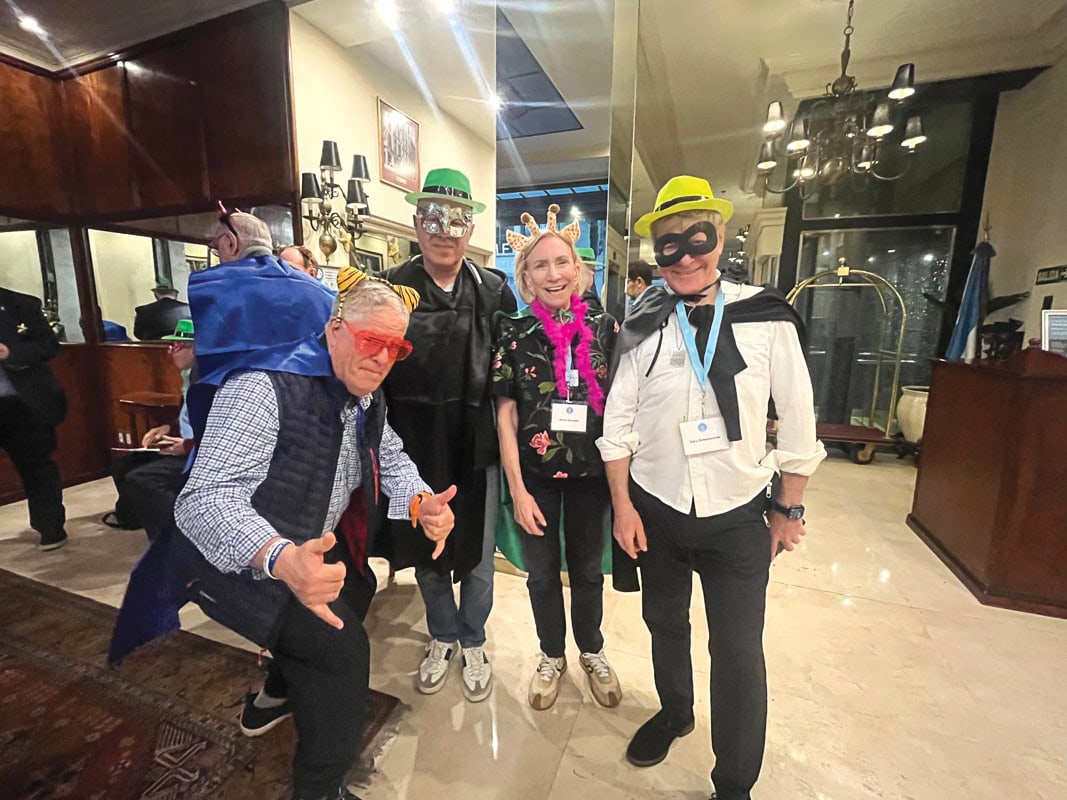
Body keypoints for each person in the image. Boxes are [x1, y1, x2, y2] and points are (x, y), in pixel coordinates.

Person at [174, 275, 456, 800]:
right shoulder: (262, 389)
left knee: (355, 589)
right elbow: (202, 500)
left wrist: (421, 503)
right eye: (371, 341)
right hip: (241, 564)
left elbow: (389, 454)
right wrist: (279, 557)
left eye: (396, 348)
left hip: (309, 547)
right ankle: (320, 790)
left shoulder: (365, 397)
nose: (382, 359)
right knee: (343, 653)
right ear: (334, 329)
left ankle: (275, 695)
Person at [596, 175, 826, 800]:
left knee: (738, 652)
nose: (685, 257)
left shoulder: (765, 317)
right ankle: (675, 712)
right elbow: (617, 423)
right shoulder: (644, 323)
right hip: (657, 508)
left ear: (719, 237)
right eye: (668, 246)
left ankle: (734, 784)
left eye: (696, 239)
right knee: (664, 622)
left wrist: (788, 507)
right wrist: (622, 507)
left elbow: (799, 420)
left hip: (738, 515)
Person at [383, 167, 517, 702]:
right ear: (417, 224)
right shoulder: (389, 287)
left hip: (477, 444)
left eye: (456, 220)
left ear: (471, 229)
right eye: (433, 218)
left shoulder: (495, 290)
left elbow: (514, 371)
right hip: (412, 446)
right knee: (428, 548)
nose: (444, 231)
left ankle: (473, 637)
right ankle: (442, 633)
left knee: (479, 554)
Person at [494, 207, 621, 710]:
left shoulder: (606, 328)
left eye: (561, 262)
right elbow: (505, 416)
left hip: (592, 474)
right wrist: (518, 491)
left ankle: (591, 649)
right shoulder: (513, 331)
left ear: (578, 270)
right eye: (540, 265)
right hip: (536, 476)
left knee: (588, 572)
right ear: (526, 276)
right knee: (542, 573)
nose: (553, 274)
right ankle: (551, 654)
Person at [104, 319, 196, 539]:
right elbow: (187, 415)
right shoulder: (188, 376)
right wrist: (166, 427)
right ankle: (133, 517)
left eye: (178, 346)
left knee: (143, 479)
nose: (170, 351)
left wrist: (187, 446)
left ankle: (174, 540)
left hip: (200, 452)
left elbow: (220, 430)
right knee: (123, 466)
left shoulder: (210, 381)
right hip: (186, 445)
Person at [0, 285, 68, 551]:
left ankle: (50, 528)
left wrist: (10, 353)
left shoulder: (21, 304)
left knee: (37, 468)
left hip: (23, 404)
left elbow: (48, 346)